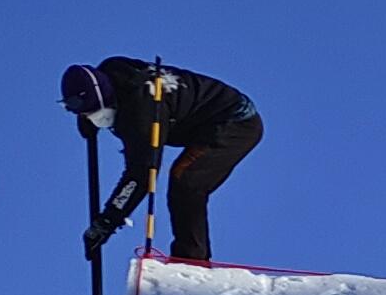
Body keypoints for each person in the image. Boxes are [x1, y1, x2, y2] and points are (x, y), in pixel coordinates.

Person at [64, 58, 263, 265]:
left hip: (237, 122)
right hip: (207, 121)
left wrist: (107, 221)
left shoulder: (141, 114)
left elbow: (141, 176)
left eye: (92, 112)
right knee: (183, 179)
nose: (91, 116)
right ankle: (190, 258)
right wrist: (86, 116)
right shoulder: (114, 72)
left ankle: (191, 262)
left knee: (186, 180)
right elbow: (95, 92)